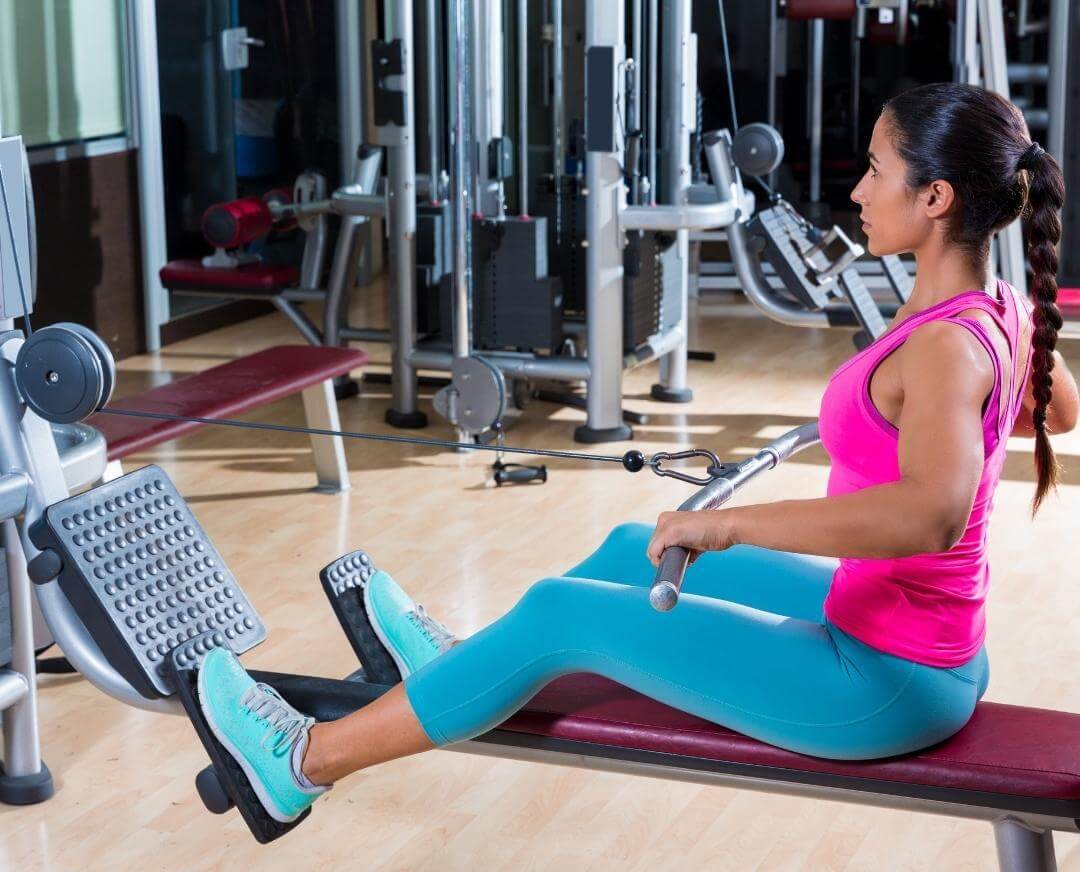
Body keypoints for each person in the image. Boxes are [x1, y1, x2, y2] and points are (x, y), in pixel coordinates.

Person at [196, 83, 1079, 825]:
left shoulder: (947, 345)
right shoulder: (997, 308)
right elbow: (1058, 406)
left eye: (877, 172)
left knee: (562, 613)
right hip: (905, 630)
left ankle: (300, 765)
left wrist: (731, 522)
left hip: (887, 681)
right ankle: (457, 668)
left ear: (936, 199)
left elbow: (930, 513)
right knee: (631, 551)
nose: (856, 192)